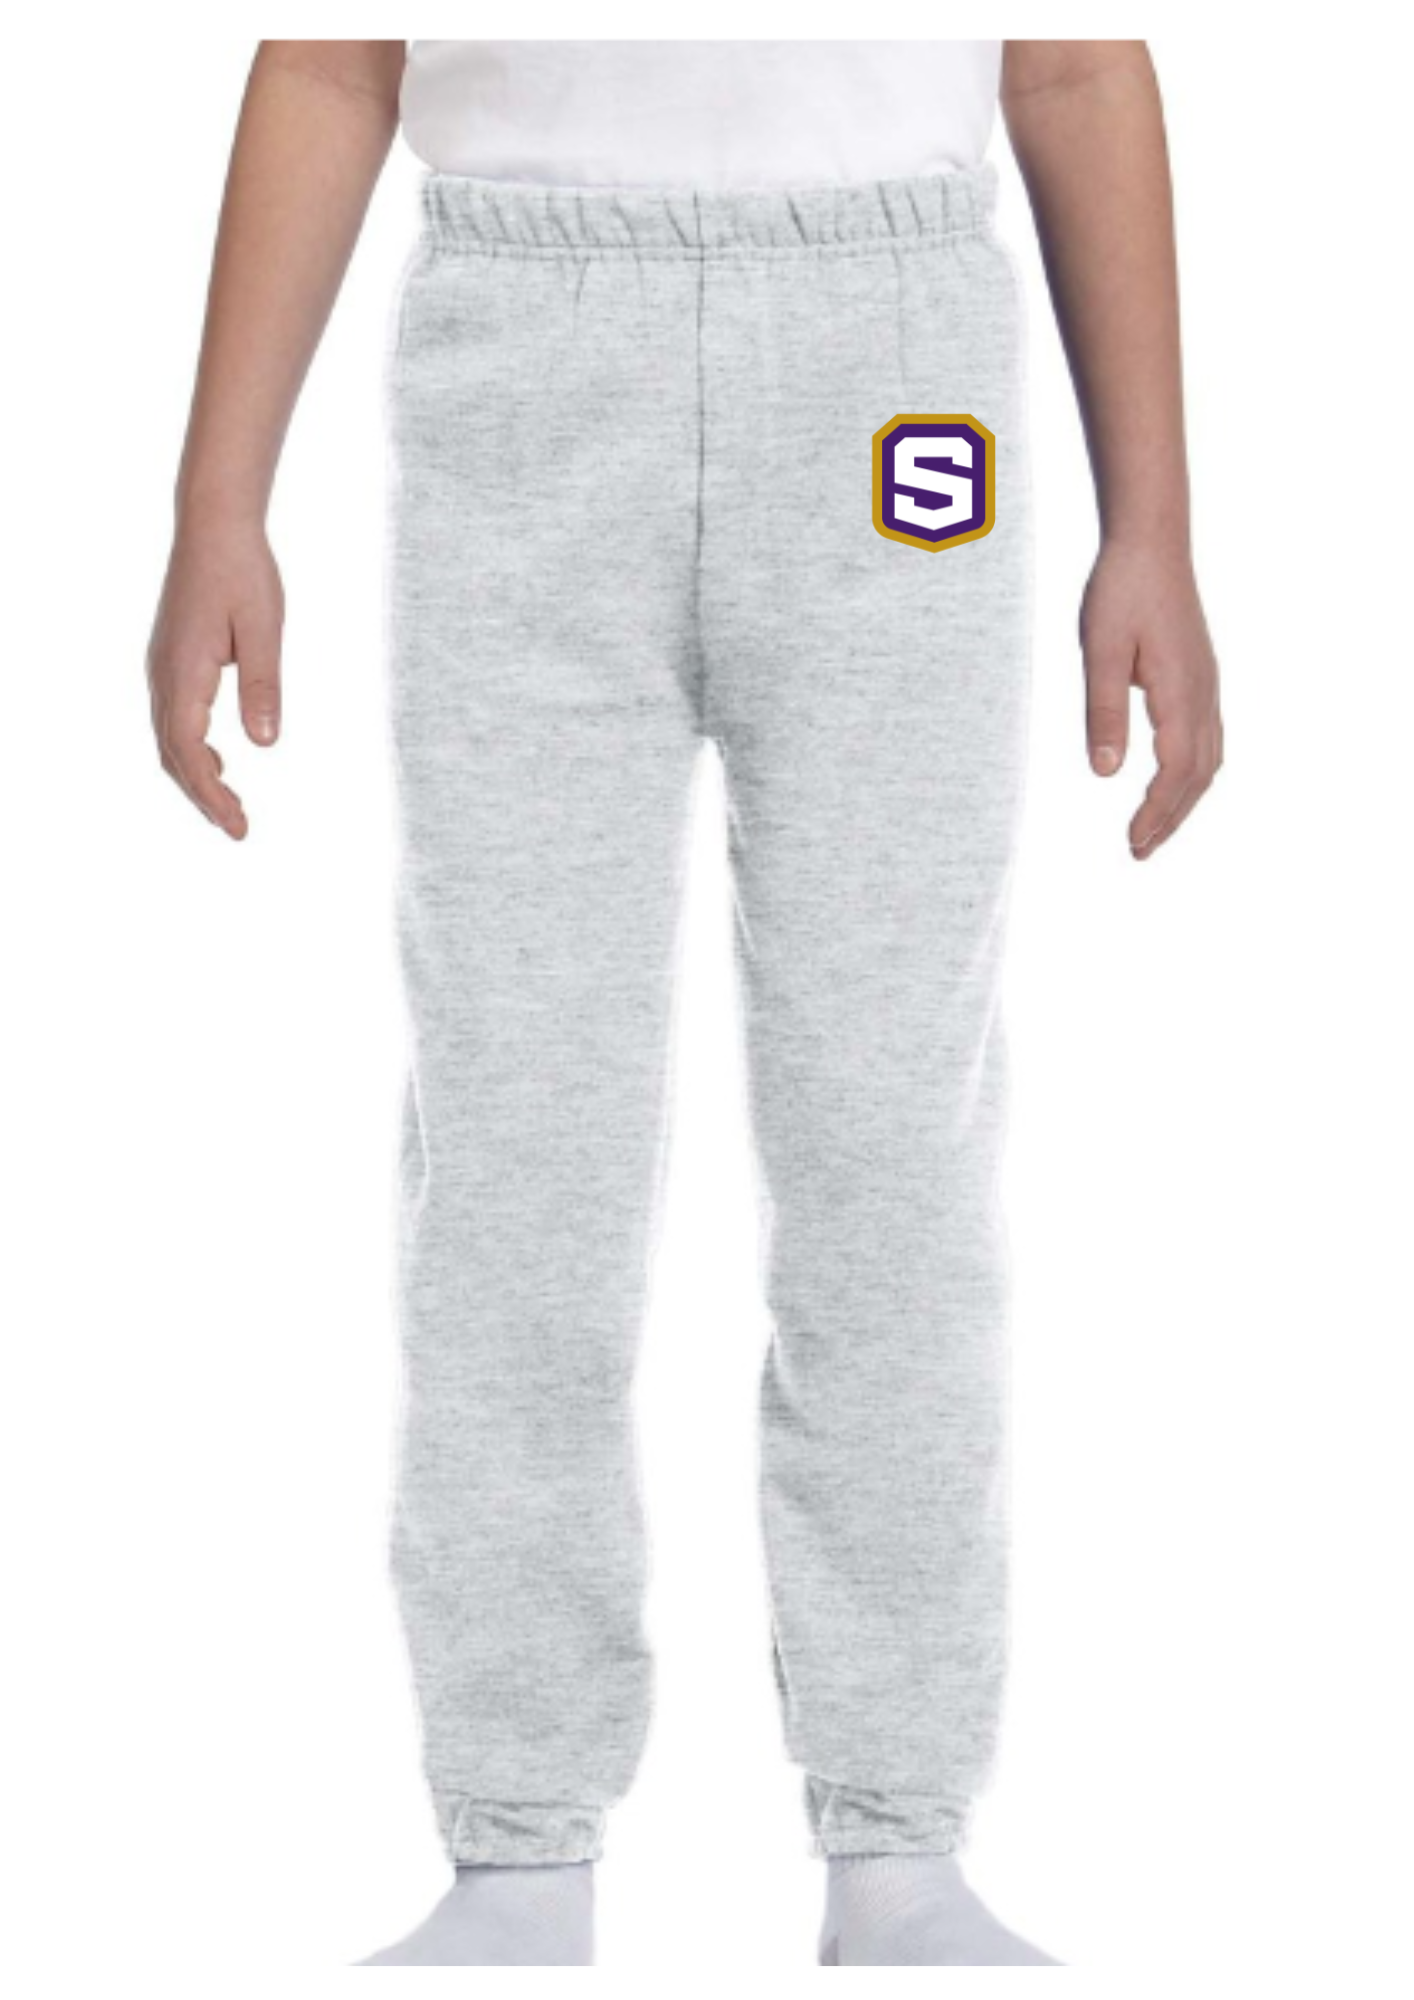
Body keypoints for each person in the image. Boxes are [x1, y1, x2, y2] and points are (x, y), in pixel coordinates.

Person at [145, 40, 1221, 1967]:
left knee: (887, 1146)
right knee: (517, 1148)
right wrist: (218, 499)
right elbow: (329, 61)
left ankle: (898, 1846)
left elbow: (1068, 66)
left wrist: (1153, 527)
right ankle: (516, 1853)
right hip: (519, 361)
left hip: (890, 367)